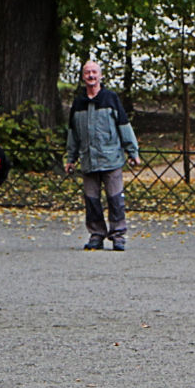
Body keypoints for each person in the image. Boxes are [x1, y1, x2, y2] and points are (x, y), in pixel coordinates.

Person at [64, 60, 140, 250]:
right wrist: (71, 158)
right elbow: (73, 133)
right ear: (83, 77)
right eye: (87, 72)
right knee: (91, 201)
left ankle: (118, 235)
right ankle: (96, 234)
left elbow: (124, 126)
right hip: (88, 160)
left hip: (111, 159)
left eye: (94, 72)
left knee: (115, 200)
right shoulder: (78, 103)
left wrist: (132, 152)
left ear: (101, 76)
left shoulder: (111, 99)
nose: (91, 76)